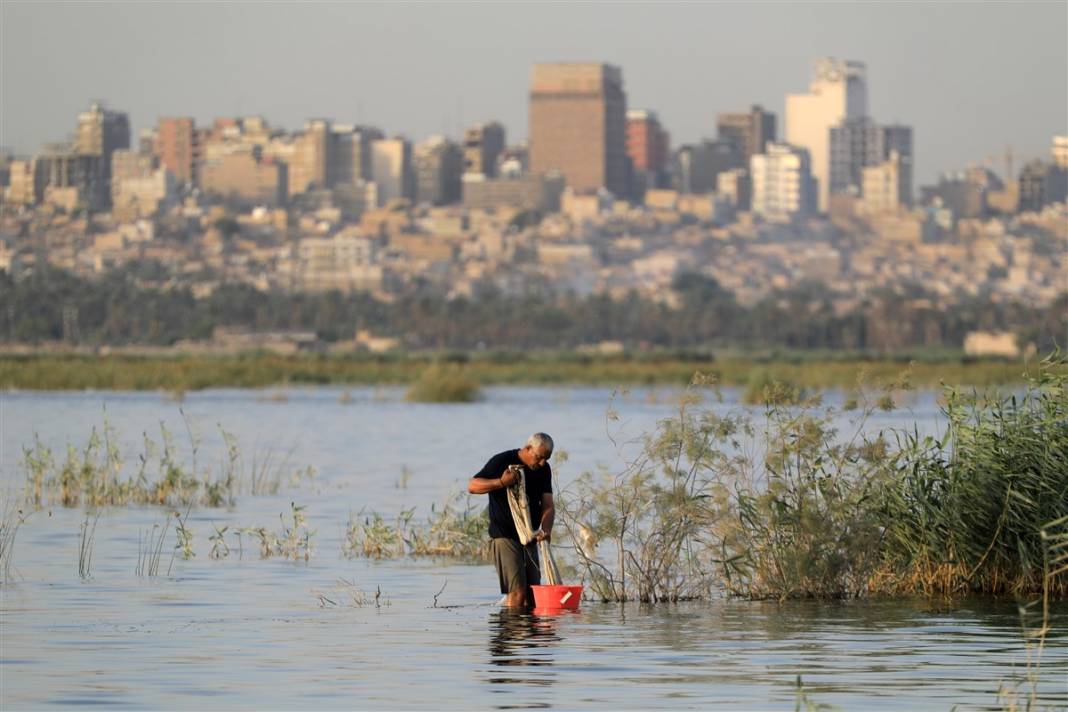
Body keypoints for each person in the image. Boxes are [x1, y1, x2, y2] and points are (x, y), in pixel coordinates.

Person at [468, 433, 555, 608]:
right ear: (528, 448)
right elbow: (473, 486)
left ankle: (528, 633)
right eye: (539, 458)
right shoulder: (502, 461)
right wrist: (501, 482)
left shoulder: (544, 470)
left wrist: (546, 530)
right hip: (505, 535)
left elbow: (548, 505)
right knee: (517, 593)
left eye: (546, 459)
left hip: (529, 535)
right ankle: (511, 633)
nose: (542, 463)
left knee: (533, 594)